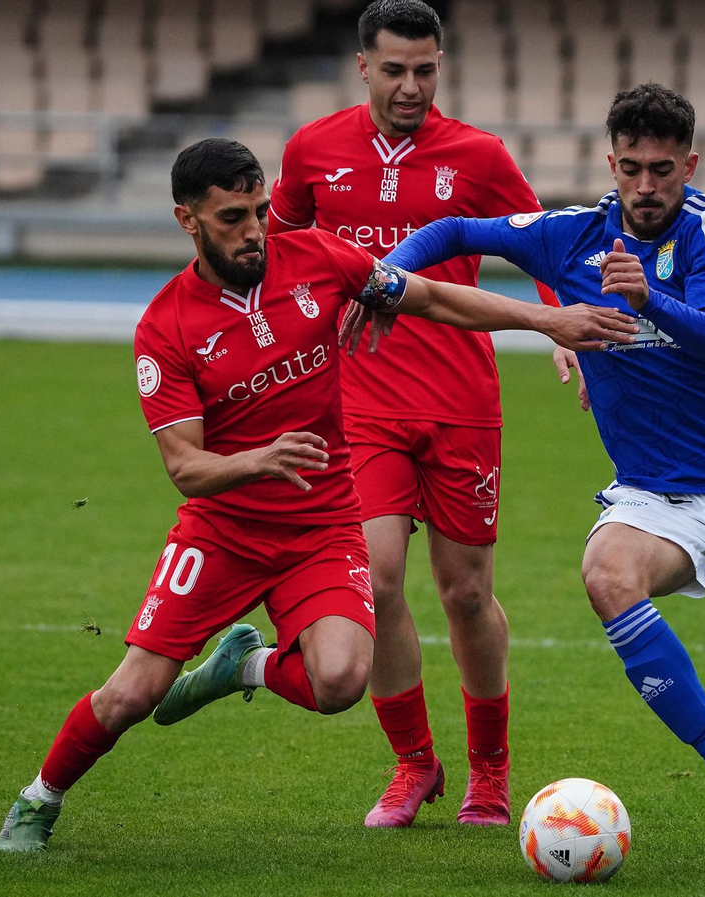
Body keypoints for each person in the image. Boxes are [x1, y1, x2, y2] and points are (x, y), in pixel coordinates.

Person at [0, 138, 634, 852]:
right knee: (133, 693)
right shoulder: (166, 326)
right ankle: (37, 799)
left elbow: (432, 296)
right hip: (223, 532)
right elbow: (185, 468)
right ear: (188, 220)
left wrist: (546, 320)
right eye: (232, 216)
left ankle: (247, 664)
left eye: (261, 211)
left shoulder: (318, 259)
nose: (254, 230)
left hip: (323, 526)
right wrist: (258, 460)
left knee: (339, 681)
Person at [343, 84, 705, 856]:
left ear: (690, 166)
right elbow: (452, 228)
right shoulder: (571, 234)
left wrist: (652, 302)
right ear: (611, 163)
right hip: (656, 494)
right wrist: (387, 277)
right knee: (606, 574)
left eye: (663, 171)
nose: (647, 187)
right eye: (633, 169)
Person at [267, 0, 557, 828]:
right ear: (363, 65)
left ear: (441, 64)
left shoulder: (478, 155)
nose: (409, 86)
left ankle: (490, 772)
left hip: (462, 401)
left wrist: (562, 327)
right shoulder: (311, 150)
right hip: (358, 402)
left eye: (425, 69)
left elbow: (539, 243)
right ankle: (414, 763)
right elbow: (279, 252)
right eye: (393, 70)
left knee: (466, 592)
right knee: (378, 577)